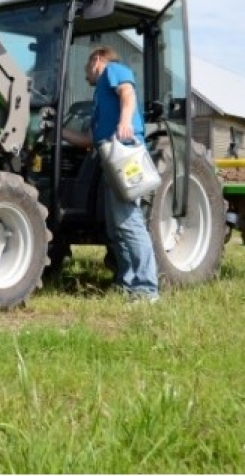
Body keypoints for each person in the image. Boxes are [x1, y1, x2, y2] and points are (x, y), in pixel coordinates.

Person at [62, 46, 159, 301]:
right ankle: (127, 282)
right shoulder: (99, 98)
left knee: (130, 221)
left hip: (124, 155)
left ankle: (147, 289)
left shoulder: (114, 71)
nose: (85, 74)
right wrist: (57, 131)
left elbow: (127, 92)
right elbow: (88, 140)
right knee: (116, 226)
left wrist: (125, 121)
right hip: (110, 158)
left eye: (86, 67)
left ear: (96, 60)